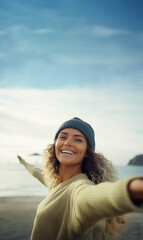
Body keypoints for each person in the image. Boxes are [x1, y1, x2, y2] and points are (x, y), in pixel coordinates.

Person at [18, 117, 143, 240]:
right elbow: (37, 173)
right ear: (55, 144)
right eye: (63, 137)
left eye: (78, 140)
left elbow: (96, 197)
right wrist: (23, 162)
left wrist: (133, 189)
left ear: (87, 152)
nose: (67, 142)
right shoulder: (55, 183)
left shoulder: (79, 188)